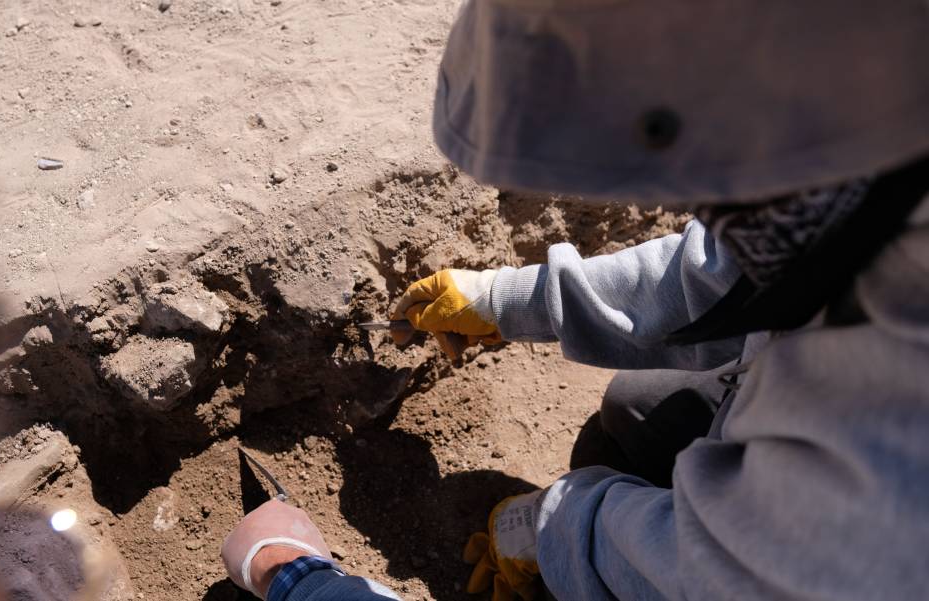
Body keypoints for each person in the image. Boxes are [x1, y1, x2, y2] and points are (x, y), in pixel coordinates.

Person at [221, 0, 929, 600]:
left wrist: (293, 576)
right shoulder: (870, 150)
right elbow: (727, 277)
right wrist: (504, 299)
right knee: (639, 407)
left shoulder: (881, 477)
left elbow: (716, 570)